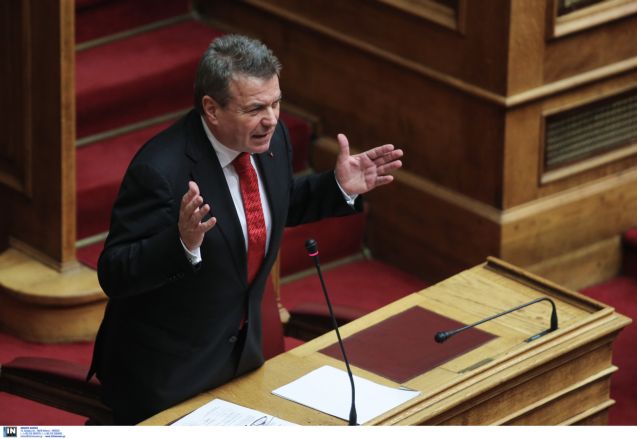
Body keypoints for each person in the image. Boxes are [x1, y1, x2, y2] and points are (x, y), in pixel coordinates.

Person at [88, 34, 403, 424]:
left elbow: (271, 206)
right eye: (255, 108)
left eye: (275, 103)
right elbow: (114, 273)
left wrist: (336, 187)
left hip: (242, 359)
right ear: (212, 109)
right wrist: (181, 243)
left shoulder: (271, 140)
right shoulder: (160, 170)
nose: (271, 119)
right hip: (169, 376)